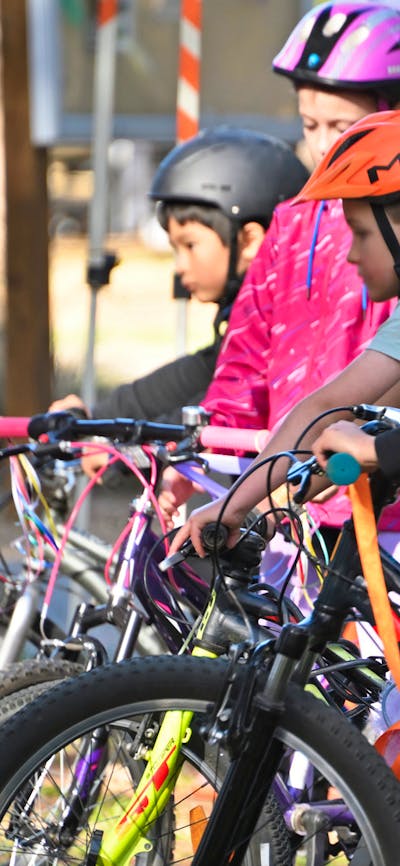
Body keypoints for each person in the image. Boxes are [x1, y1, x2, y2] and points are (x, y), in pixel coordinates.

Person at [159, 1, 400, 548]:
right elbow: (270, 376)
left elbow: (362, 414)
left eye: (343, 125)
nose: (322, 144)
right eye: (310, 124)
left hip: (382, 515)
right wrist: (249, 500)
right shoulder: (292, 227)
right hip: (306, 496)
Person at [50, 126, 309, 431]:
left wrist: (119, 445)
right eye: (175, 248)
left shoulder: (288, 323)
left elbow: (230, 403)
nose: (180, 266)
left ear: (250, 240)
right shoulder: (243, 320)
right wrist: (98, 417)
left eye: (190, 245)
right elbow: (199, 373)